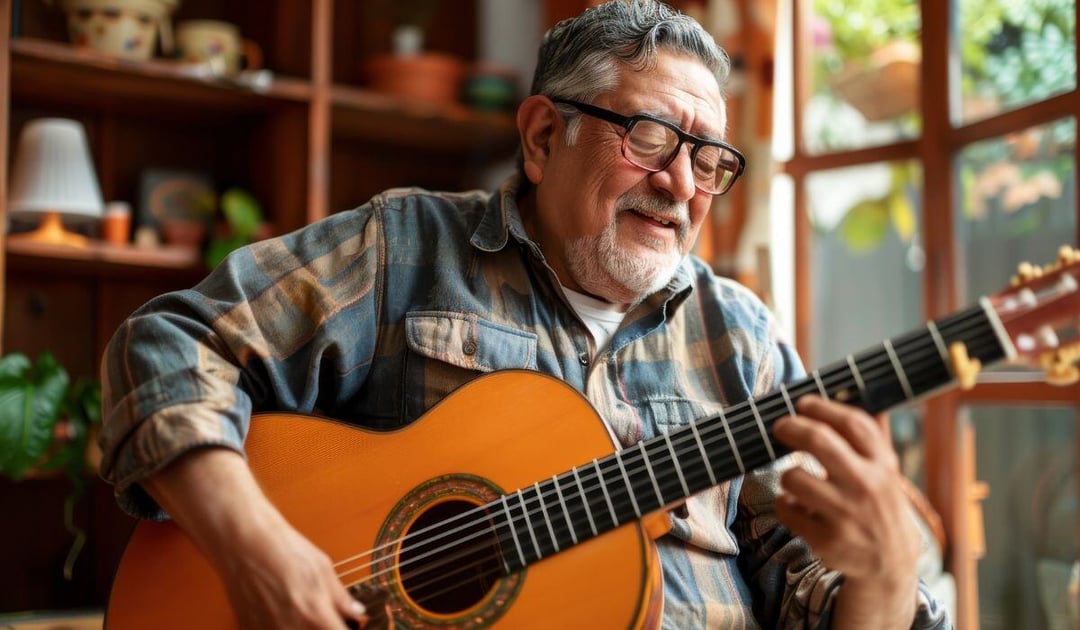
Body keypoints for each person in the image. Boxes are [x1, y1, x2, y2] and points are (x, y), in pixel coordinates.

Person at [99, 1, 951, 628]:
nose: (683, 185)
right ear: (544, 138)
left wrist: (881, 576)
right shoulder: (408, 248)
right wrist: (255, 551)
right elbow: (169, 347)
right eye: (651, 139)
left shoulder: (745, 338)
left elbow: (808, 590)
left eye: (710, 159)